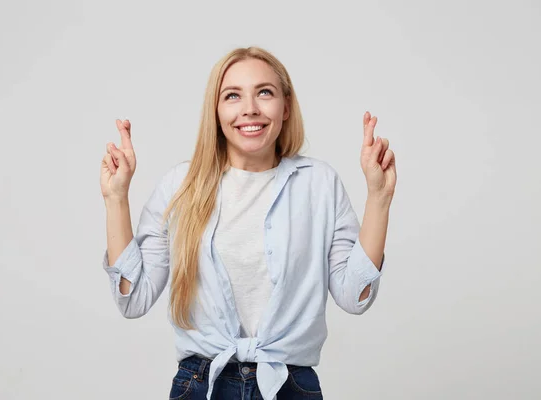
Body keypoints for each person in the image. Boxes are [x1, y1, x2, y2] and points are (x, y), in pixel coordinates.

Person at [100, 46, 396, 400]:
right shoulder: (180, 186)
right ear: (217, 111)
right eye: (232, 96)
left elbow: (355, 296)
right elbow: (133, 299)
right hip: (201, 385)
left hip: (290, 386)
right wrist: (116, 199)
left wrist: (379, 197)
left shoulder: (319, 183)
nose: (250, 108)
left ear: (285, 107)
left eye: (265, 93)